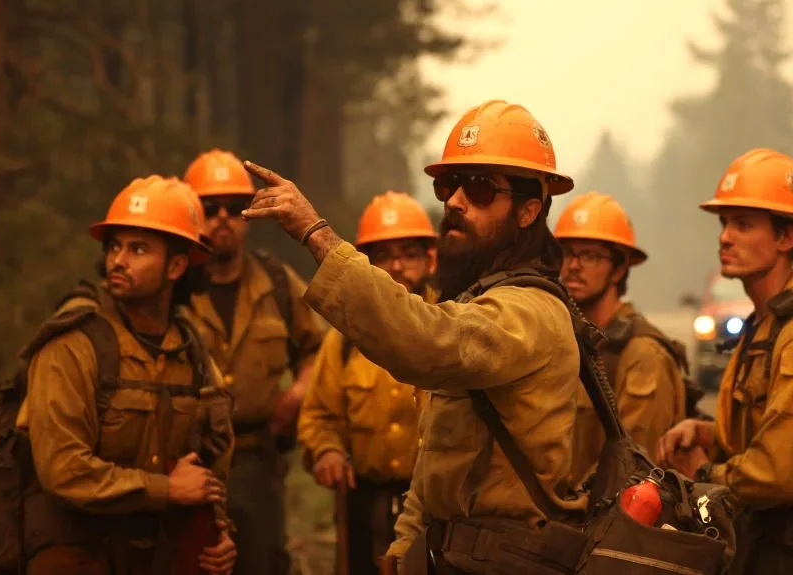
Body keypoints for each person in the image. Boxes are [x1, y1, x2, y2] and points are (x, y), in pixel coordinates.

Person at [240, 99, 587, 573]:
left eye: (481, 189)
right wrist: (404, 550)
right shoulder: (475, 302)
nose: (455, 202)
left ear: (529, 212)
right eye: (449, 185)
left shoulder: (529, 312)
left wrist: (317, 235)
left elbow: (427, 342)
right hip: (451, 553)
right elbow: (439, 461)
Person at [657, 149, 793, 575]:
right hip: (767, 541)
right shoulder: (767, 325)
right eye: (724, 223)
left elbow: (782, 472)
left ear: (787, 238)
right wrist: (708, 432)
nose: (725, 237)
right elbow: (771, 429)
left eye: (744, 224)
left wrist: (701, 469)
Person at [18, 175, 237, 575]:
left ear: (176, 265)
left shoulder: (194, 353)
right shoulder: (73, 345)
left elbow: (210, 466)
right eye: (114, 246)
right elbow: (63, 469)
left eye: (138, 249)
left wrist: (219, 532)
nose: (118, 260)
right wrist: (167, 489)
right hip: (76, 551)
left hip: (157, 553)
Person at [183, 149, 331, 575]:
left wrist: (299, 391)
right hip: (190, 462)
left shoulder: (278, 283)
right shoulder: (174, 289)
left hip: (258, 458)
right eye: (210, 209)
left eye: (233, 207)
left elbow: (317, 348)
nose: (223, 218)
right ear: (193, 215)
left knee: (262, 562)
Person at [297, 191, 438, 575]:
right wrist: (326, 450)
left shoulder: (449, 328)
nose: (397, 267)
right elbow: (318, 416)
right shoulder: (344, 338)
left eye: (408, 254)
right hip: (364, 500)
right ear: (365, 264)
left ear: (431, 259)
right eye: (383, 256)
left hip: (435, 508)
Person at [554, 192, 687, 486]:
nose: (573, 266)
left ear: (619, 267)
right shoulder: (566, 342)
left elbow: (633, 466)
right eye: (567, 253)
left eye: (590, 256)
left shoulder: (643, 354)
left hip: (607, 524)